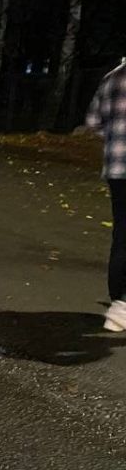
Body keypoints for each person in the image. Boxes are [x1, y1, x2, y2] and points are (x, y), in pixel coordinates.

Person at [85, 59, 126, 331]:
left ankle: (119, 307)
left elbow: (93, 122)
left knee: (122, 236)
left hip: (118, 167)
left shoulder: (112, 77)